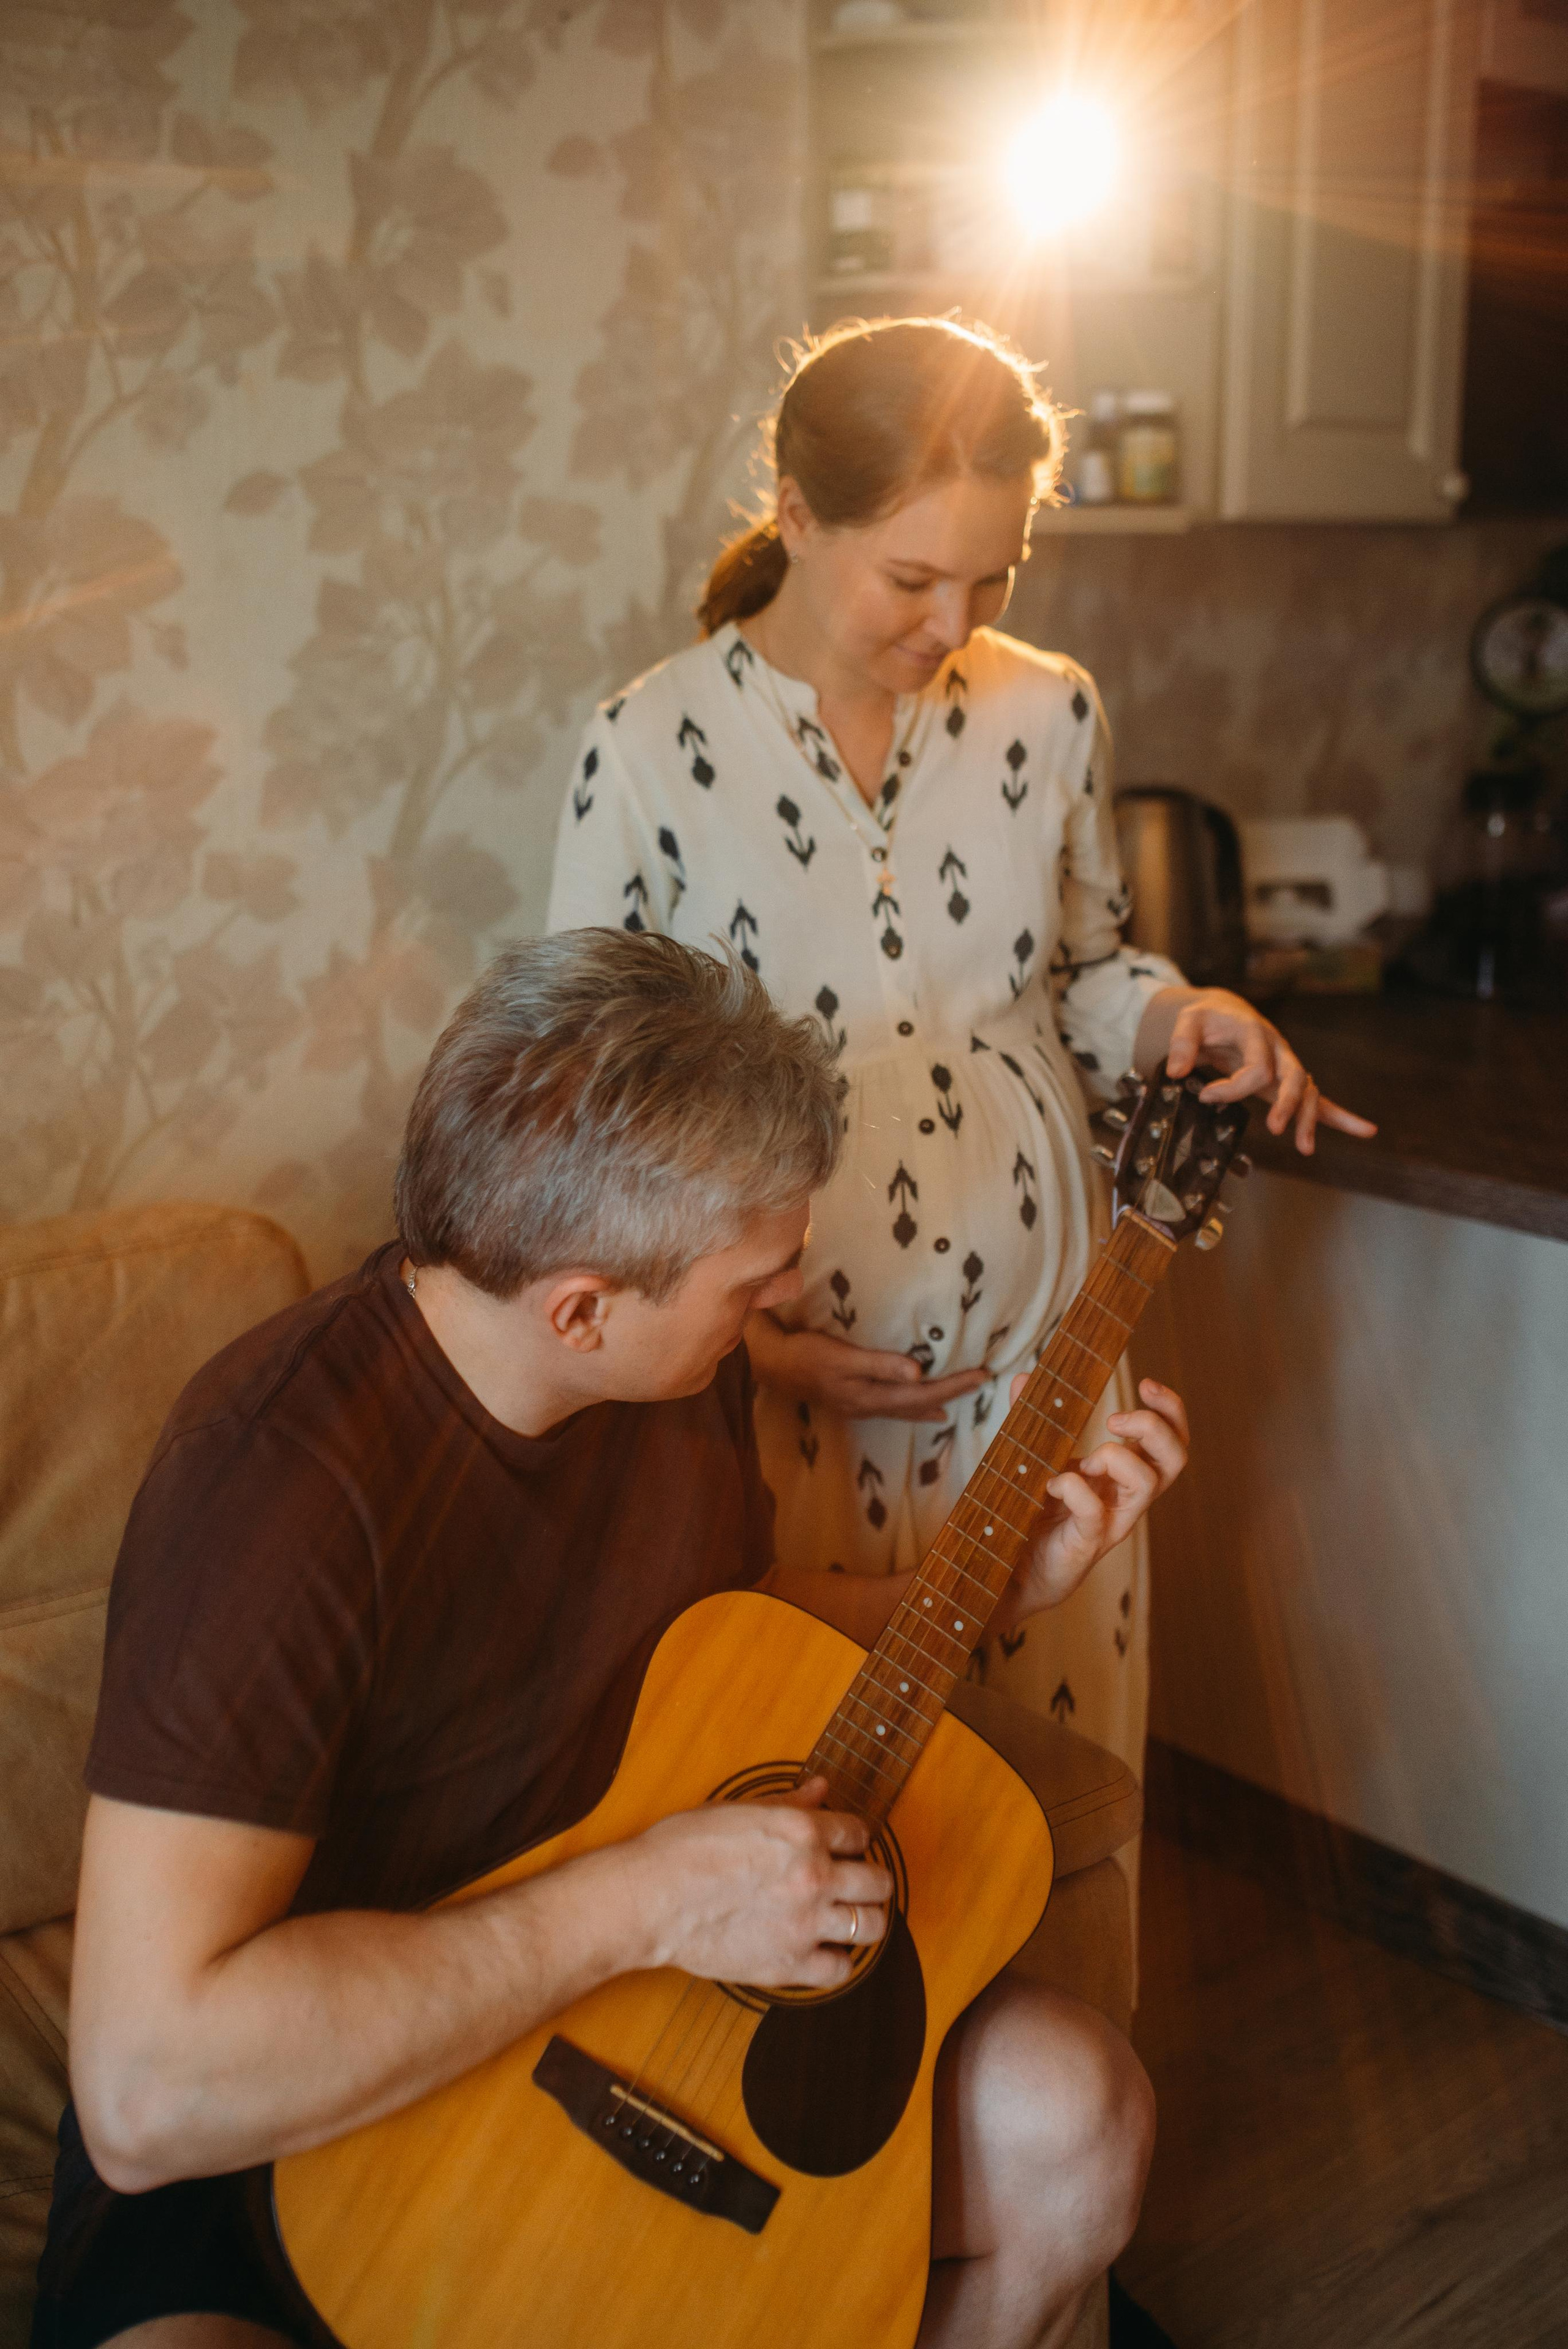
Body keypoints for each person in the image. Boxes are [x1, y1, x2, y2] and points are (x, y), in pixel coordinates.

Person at [36, 931, 1189, 2349]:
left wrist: (994, 1586)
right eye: (751, 1281)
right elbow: (151, 2093)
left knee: (1078, 2118)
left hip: (612, 2029)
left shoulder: (668, 1373)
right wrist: (641, 1904)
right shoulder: (273, 1492)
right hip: (289, 2144)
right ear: (580, 1308)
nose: (784, 1303)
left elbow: (721, 1632)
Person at [548, 314, 1374, 1802]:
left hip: (1046, 1341)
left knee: (1054, 1780)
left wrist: (1189, 1017)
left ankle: (1068, 2046)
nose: (952, 622)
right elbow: (590, 1107)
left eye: (993, 575)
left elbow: (1084, 975)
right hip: (791, 1387)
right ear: (796, 516)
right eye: (913, 578)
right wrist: (740, 1343)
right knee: (824, 1780)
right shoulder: (646, 747)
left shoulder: (1044, 708)